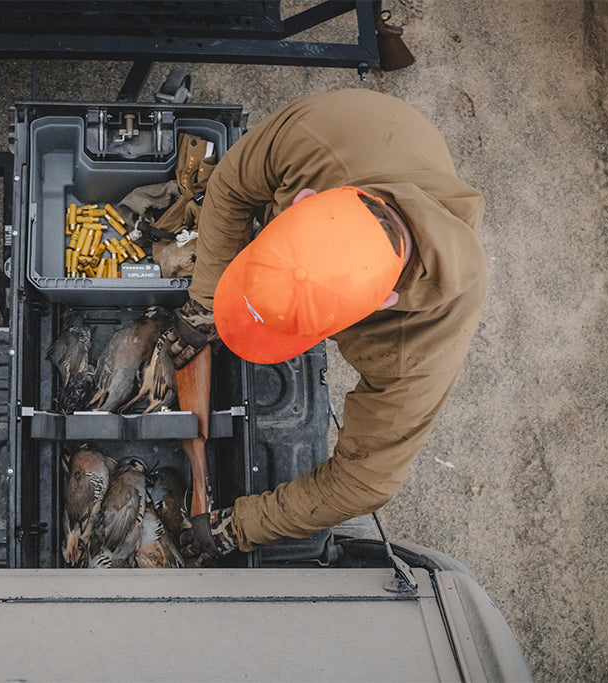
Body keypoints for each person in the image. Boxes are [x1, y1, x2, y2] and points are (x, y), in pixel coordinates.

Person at [167, 89, 486, 559]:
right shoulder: (324, 133)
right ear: (304, 201)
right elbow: (232, 183)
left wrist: (240, 526)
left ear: (384, 302)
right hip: (387, 135)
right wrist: (208, 299)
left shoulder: (418, 351)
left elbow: (363, 481)